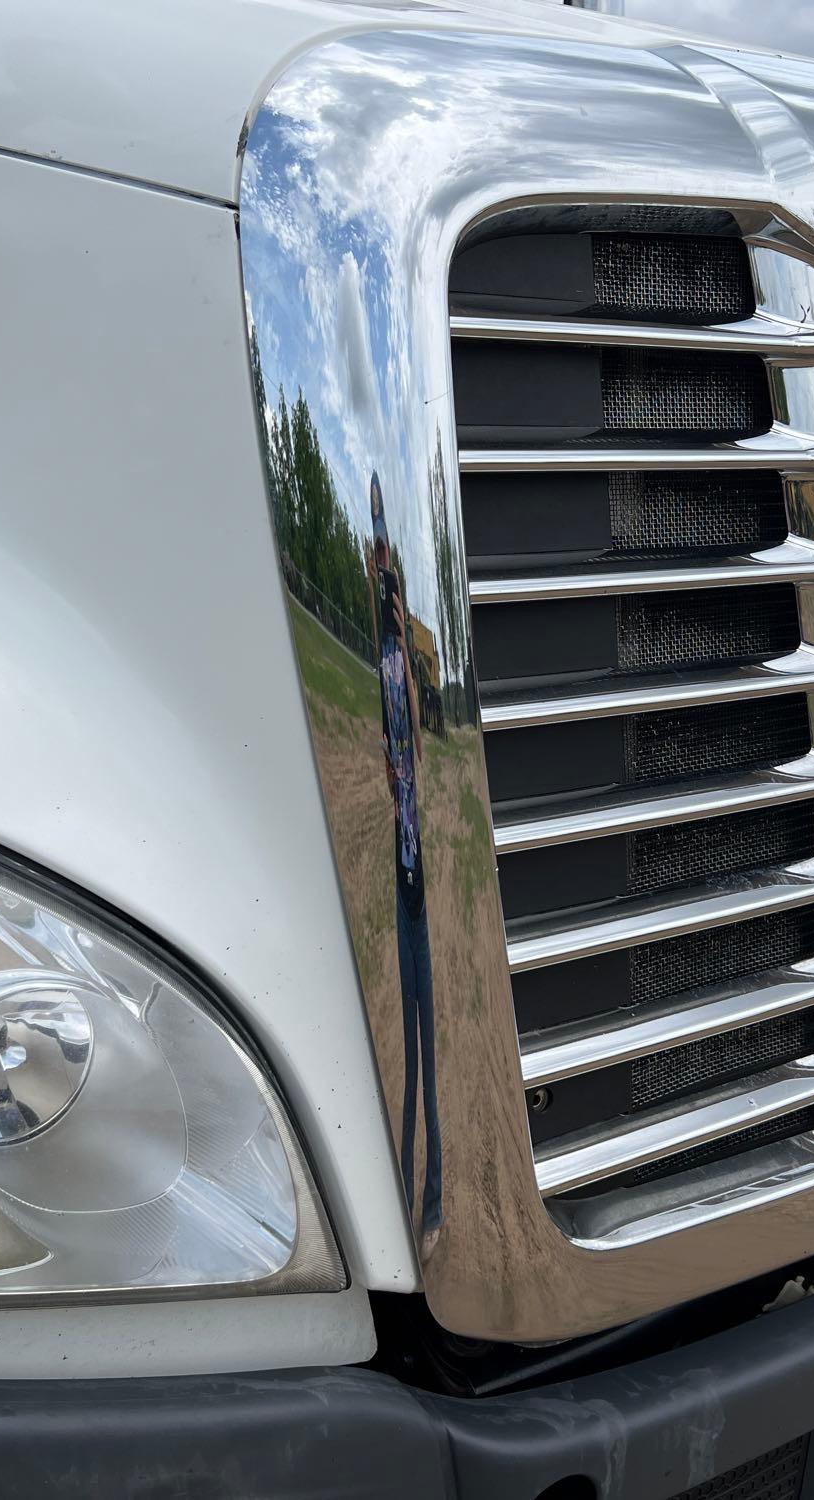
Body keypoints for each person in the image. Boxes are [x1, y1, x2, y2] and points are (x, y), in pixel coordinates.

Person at [369, 474, 442, 1236]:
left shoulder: (406, 641)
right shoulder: (371, 638)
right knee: (405, 1025)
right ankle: (410, 1189)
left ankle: (434, 1192)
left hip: (418, 834)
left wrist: (402, 620)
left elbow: (418, 728)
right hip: (396, 839)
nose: (385, 576)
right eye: (381, 567)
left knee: (427, 1019)